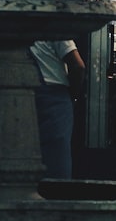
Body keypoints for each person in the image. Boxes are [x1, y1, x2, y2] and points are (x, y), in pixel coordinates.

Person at [30, 39, 86, 178]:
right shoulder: (57, 29)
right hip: (55, 98)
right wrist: (72, 95)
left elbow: (78, 67)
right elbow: (78, 66)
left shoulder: (15, 31)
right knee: (56, 163)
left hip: (42, 98)